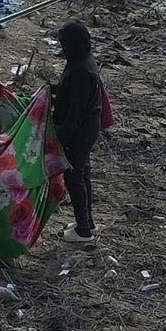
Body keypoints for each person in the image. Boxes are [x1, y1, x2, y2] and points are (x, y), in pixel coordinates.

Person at [51, 19, 106, 243]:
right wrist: (49, 90)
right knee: (82, 173)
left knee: (74, 176)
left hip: (81, 129)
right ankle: (87, 223)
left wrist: (61, 138)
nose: (62, 48)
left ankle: (83, 230)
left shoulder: (81, 70)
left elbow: (76, 111)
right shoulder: (81, 61)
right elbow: (69, 92)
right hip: (86, 127)